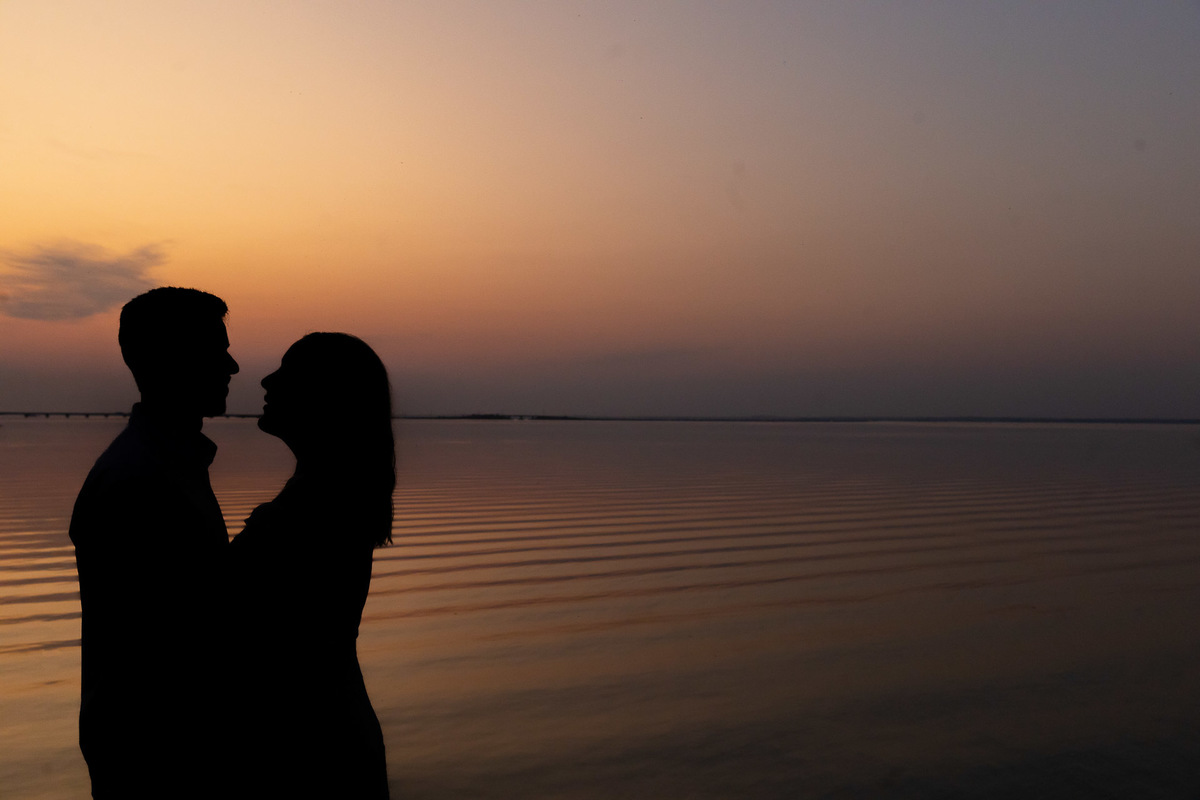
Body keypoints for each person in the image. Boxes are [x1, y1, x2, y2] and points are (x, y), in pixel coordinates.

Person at [69, 287, 239, 799]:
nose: (232, 366)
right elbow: (164, 652)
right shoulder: (138, 480)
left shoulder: (170, 465)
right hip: (159, 764)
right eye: (216, 350)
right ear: (170, 360)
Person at [229, 332, 392, 799]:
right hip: (325, 734)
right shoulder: (327, 495)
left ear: (325, 398)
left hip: (310, 750)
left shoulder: (318, 507)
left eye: (288, 370)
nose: (266, 379)